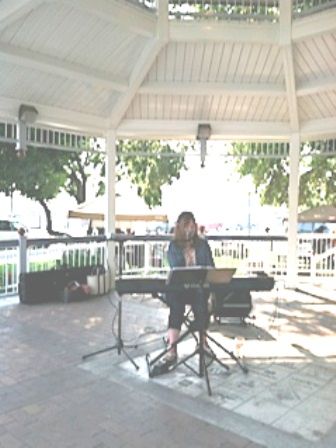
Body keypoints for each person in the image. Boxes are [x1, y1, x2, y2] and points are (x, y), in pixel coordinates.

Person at [155, 211, 214, 374]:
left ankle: (203, 343)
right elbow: (176, 268)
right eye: (186, 225)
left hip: (199, 288)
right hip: (180, 289)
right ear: (180, 227)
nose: (190, 229)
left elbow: (211, 266)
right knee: (176, 306)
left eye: (192, 225)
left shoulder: (203, 245)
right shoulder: (174, 246)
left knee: (201, 302)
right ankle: (172, 348)